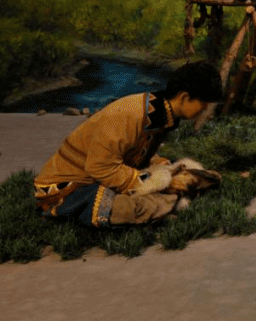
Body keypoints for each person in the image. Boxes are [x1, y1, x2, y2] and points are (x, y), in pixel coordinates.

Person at [33, 60, 223, 227]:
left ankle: (166, 201)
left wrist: (166, 169)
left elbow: (135, 154)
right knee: (129, 207)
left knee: (193, 176)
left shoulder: (162, 114)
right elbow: (99, 167)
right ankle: (162, 204)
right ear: (184, 97)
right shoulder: (128, 113)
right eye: (204, 103)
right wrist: (159, 182)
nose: (205, 109)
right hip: (68, 187)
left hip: (105, 175)